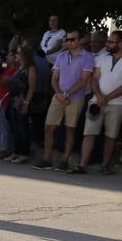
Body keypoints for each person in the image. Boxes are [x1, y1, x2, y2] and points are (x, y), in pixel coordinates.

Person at [75, 29, 122, 174]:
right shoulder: (102, 57)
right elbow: (95, 78)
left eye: (111, 41)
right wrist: (99, 96)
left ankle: (105, 166)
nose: (107, 44)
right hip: (96, 100)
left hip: (117, 104)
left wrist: (106, 98)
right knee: (89, 133)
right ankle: (82, 164)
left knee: (111, 136)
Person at [35, 31, 94, 171]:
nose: (69, 42)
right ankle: (47, 158)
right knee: (49, 127)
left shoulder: (88, 57)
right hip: (59, 96)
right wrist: (59, 94)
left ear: (80, 40)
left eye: (72, 39)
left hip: (75, 98)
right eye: (67, 39)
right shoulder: (61, 56)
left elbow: (84, 80)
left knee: (70, 129)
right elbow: (54, 78)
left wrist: (66, 94)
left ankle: (64, 160)